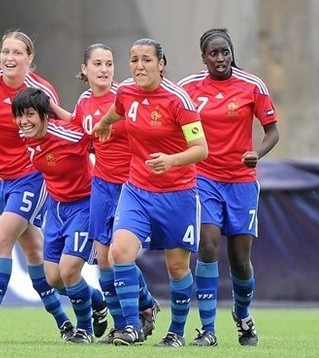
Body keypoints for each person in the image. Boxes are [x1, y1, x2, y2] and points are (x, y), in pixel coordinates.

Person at [0, 31, 105, 343]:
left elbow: (64, 129)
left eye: (17, 53)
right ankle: (78, 314)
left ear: (30, 60)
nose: (9, 58)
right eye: (5, 51)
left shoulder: (40, 91)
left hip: (33, 177)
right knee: (37, 257)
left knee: (0, 240)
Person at [91, 38, 208, 347]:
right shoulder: (126, 91)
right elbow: (118, 110)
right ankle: (129, 326)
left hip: (178, 194)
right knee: (120, 252)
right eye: (134, 60)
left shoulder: (178, 100)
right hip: (137, 190)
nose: (139, 66)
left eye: (146, 60)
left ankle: (177, 333)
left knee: (176, 266)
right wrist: (103, 123)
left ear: (161, 64)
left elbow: (201, 150)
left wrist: (171, 160)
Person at [177, 27, 279, 347]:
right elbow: (169, 113)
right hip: (203, 178)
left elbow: (272, 131)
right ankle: (208, 329)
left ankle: (242, 313)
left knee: (239, 260)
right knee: (207, 245)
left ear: (232, 54)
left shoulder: (252, 85)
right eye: (213, 53)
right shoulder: (189, 88)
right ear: (203, 57)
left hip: (241, 182)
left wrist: (257, 153)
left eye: (225, 52)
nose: (220, 58)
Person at [66, 43, 160, 344]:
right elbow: (78, 134)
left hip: (130, 185)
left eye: (108, 63)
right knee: (103, 258)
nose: (104, 69)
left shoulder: (126, 96)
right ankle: (125, 321)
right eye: (97, 64)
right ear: (85, 69)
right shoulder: (83, 103)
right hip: (102, 185)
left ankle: (134, 319)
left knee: (121, 254)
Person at [12, 87, 106, 343]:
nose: (24, 121)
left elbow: (92, 133)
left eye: (30, 114)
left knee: (69, 270)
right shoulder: (25, 135)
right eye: (19, 115)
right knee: (53, 278)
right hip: (55, 207)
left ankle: (84, 329)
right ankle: (99, 302)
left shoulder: (69, 135)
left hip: (85, 205)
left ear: (45, 115)